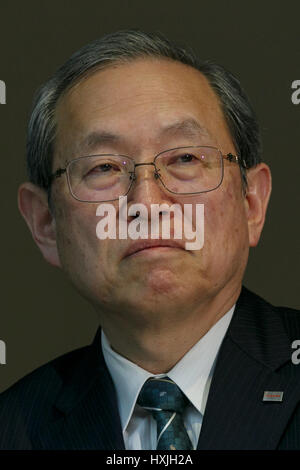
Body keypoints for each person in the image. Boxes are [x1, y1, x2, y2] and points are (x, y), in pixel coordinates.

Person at [0, 29, 299, 451]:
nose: (146, 203)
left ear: (251, 202)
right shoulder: (12, 429)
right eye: (103, 167)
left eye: (185, 158)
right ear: (46, 223)